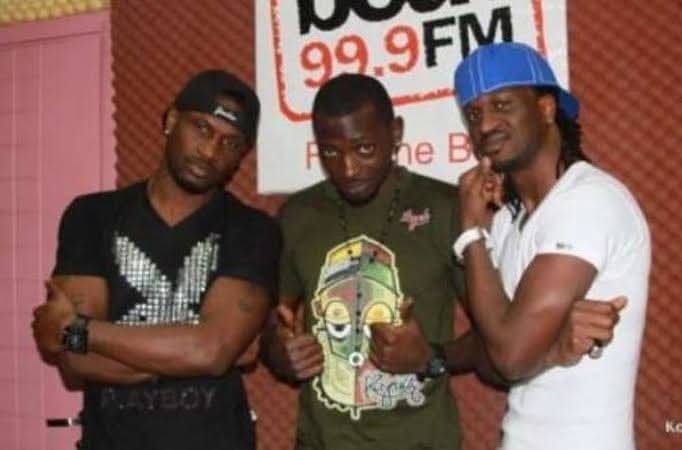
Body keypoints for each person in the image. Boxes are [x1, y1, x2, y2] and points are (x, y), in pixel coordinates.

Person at [261, 73, 625, 450]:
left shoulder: (446, 208)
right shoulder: (298, 215)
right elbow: (275, 324)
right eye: (330, 153)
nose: (348, 168)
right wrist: (280, 352)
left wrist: (429, 356)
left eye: (364, 149)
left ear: (396, 134)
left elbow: (495, 343)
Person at [32, 70, 280, 450]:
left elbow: (211, 350)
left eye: (230, 143)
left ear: (241, 156)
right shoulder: (90, 216)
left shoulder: (253, 230)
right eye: (202, 128)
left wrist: (77, 330)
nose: (210, 151)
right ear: (171, 120)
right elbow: (76, 362)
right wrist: (193, 355)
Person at [453, 42, 650, 450]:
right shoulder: (506, 222)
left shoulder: (588, 200)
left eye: (502, 105)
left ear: (545, 109)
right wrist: (552, 350)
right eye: (473, 114)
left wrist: (471, 232)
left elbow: (509, 356)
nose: (485, 124)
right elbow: (489, 361)